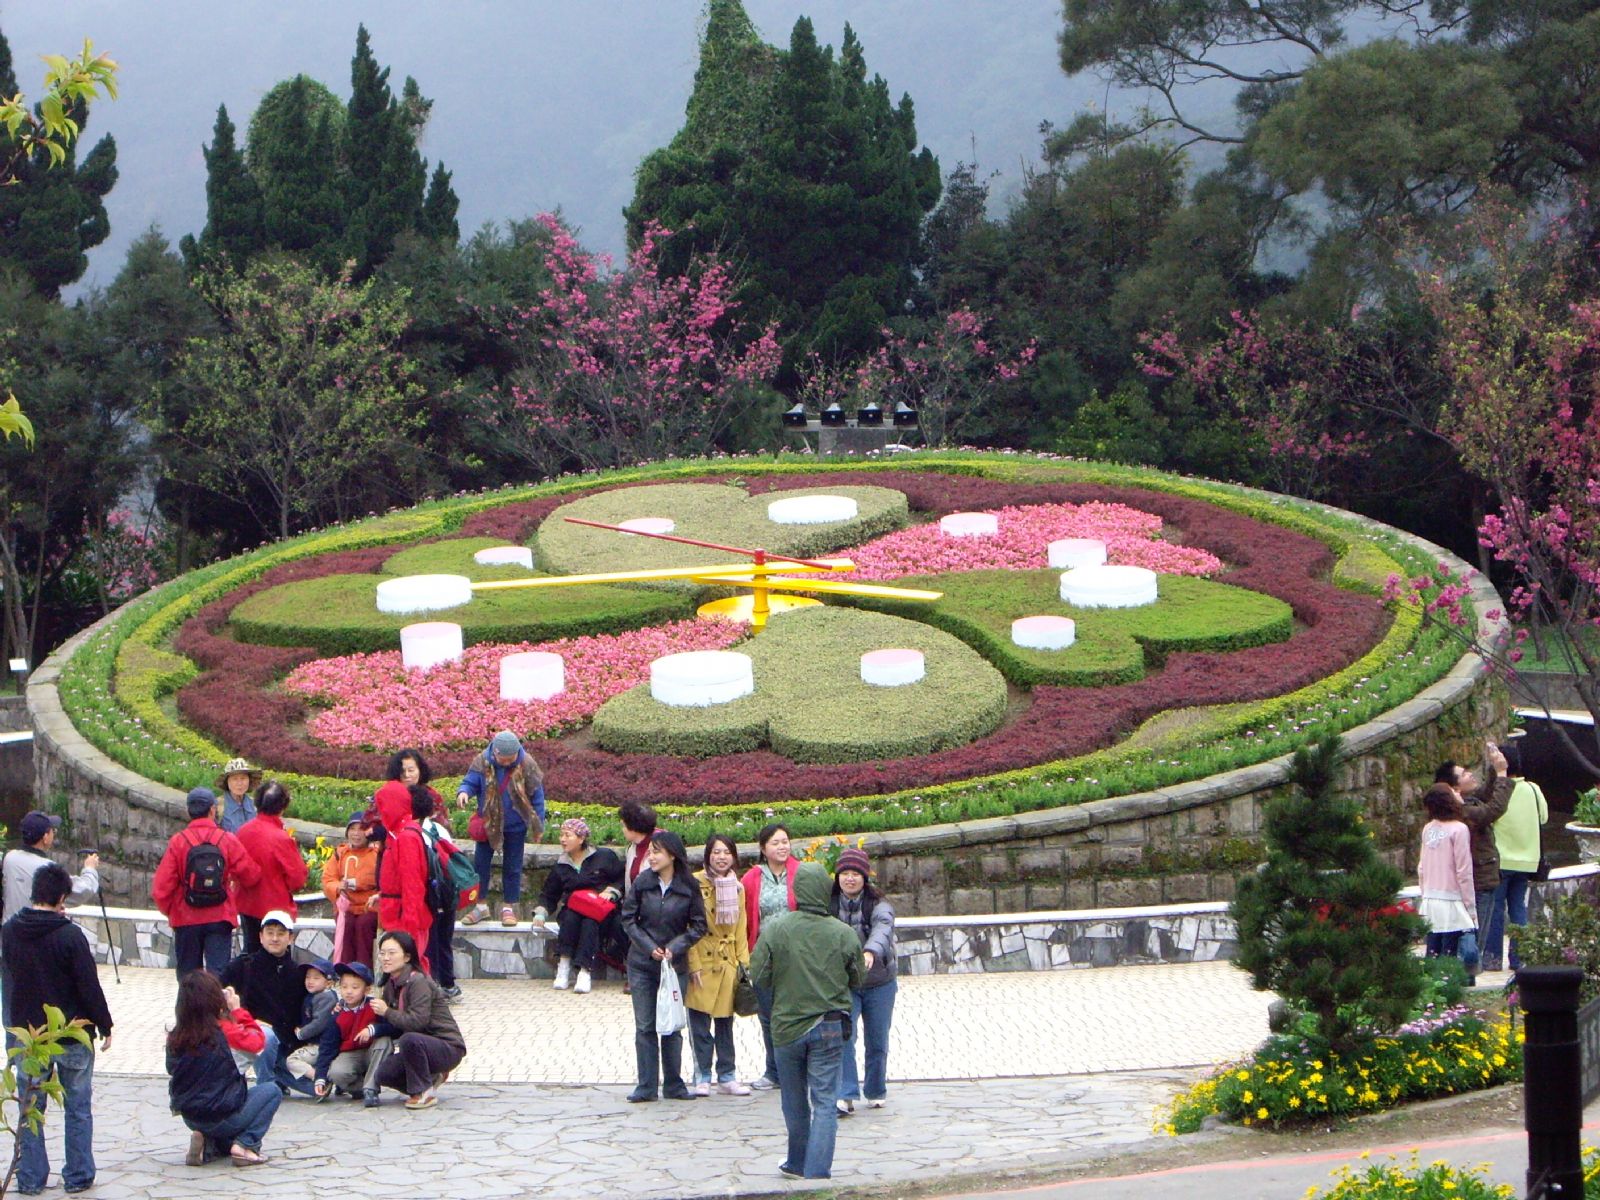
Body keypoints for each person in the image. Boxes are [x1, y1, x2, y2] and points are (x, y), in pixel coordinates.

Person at [1, 862, 114, 1195]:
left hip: (28, 1038)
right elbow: (88, 987)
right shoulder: (70, 936)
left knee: (29, 1108)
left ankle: (31, 1177)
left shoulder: (9, 931)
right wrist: (105, 1024)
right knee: (78, 1106)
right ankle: (78, 1175)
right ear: (62, 897)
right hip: (71, 1035)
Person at [750, 860, 865, 1181]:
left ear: (796, 892)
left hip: (787, 1027)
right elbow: (858, 978)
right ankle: (817, 1172)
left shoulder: (776, 928)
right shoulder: (843, 933)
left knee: (794, 1099)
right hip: (830, 1025)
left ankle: (796, 1163)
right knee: (826, 1101)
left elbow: (758, 974)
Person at [619, 831, 707, 1102]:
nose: (652, 857)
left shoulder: (688, 886)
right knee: (645, 1026)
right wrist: (648, 947)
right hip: (643, 964)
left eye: (657, 852)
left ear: (672, 854)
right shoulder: (643, 882)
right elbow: (628, 919)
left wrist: (675, 947)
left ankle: (674, 1084)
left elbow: (699, 926)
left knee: (672, 1025)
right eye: (650, 852)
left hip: (674, 965)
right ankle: (646, 1085)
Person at [167, 971, 280, 1168]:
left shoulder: (176, 1033)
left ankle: (207, 1146)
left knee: (224, 1139)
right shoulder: (226, 1032)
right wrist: (237, 1011)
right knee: (271, 1091)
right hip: (222, 1113)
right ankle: (247, 1145)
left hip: (190, 1115)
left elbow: (170, 1068)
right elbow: (259, 1041)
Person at [152, 787, 262, 977]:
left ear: (189, 811)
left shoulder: (178, 842)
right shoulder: (226, 839)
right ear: (213, 810)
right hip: (219, 917)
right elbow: (251, 874)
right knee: (219, 975)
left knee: (188, 976)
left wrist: (172, 911)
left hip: (185, 917)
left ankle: (190, 1007)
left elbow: (161, 888)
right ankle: (218, 1007)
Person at [363, 931, 467, 1110]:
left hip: (447, 1046)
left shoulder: (418, 981)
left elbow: (418, 1022)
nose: (386, 958)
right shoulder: (391, 984)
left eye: (392, 953)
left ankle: (423, 1092)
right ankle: (432, 1079)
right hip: (418, 1047)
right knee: (384, 1074)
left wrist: (387, 1011)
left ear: (407, 957)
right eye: (382, 953)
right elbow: (395, 1026)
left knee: (409, 1039)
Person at [828, 848, 897, 1114]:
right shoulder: (830, 904)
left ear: (864, 877)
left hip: (880, 982)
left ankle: (876, 1089)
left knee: (877, 1039)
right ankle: (845, 1093)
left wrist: (870, 951)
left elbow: (883, 929)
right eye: (845, 873)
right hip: (846, 983)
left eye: (855, 873)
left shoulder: (879, 905)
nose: (849, 878)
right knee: (845, 1036)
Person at [1433, 743, 1511, 976]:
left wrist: (1493, 768)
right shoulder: (1463, 811)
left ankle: (1461, 979)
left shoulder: (1464, 804)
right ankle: (1465, 982)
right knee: (1473, 941)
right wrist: (1502, 774)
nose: (1470, 775)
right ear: (1454, 787)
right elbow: (1492, 810)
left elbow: (1486, 795)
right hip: (1477, 882)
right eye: (1464, 774)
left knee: (1469, 939)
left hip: (1476, 881)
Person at [219, 910, 313, 1096]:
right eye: (270, 933)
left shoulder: (299, 973)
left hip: (288, 1046)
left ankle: (277, 1075)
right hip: (252, 1038)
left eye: (280, 933)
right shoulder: (242, 966)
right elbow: (214, 993)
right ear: (261, 936)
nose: (275, 938)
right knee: (266, 1036)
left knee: (316, 1089)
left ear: (290, 938)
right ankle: (267, 1087)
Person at [456, 730, 545, 926]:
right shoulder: (482, 761)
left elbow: (537, 795)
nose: (506, 763)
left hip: (515, 824)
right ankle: (480, 906)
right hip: (489, 822)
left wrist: (538, 824)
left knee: (513, 867)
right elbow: (470, 781)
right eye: (502, 759)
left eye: (510, 759)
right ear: (494, 753)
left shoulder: (526, 763)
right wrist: (464, 792)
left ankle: (509, 907)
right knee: (480, 865)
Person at [686, 833, 751, 1097]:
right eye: (716, 852)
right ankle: (702, 1074)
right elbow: (687, 925)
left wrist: (743, 965)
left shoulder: (738, 887)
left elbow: (742, 927)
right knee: (700, 1024)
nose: (721, 857)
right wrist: (693, 964)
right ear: (707, 856)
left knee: (725, 1024)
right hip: (702, 959)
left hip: (727, 962)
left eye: (726, 852)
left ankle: (727, 1075)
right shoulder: (694, 883)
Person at [534, 817, 624, 995]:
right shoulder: (561, 865)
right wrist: (541, 914)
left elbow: (620, 878)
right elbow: (549, 895)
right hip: (573, 910)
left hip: (600, 911)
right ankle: (564, 964)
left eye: (567, 835)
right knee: (571, 916)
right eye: (561, 835)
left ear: (581, 838)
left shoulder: (604, 856)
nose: (562, 839)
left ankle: (584, 971)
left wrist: (612, 891)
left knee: (590, 921)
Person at [740, 822, 799, 1090]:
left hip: (797, 957)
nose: (782, 847)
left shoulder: (801, 872)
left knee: (796, 1012)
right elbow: (744, 918)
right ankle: (773, 1071)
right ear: (763, 848)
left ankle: (796, 1070)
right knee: (768, 1015)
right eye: (775, 842)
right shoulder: (752, 878)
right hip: (763, 956)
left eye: (785, 841)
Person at [1483, 740, 1548, 972]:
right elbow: (1544, 819)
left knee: (1496, 909)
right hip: (1527, 860)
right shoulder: (1533, 789)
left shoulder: (1497, 792)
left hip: (1500, 861)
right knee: (1518, 907)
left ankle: (1491, 960)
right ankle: (1519, 959)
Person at [233, 781, 308, 955]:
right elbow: (298, 877)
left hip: (246, 902)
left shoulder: (243, 831)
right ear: (283, 807)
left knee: (250, 950)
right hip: (275, 906)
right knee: (275, 955)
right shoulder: (280, 838)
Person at [1417, 783, 1478, 978]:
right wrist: (1470, 907)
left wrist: (1424, 893)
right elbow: (1464, 871)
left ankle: (1430, 990)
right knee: (1450, 952)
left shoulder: (1428, 829)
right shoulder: (1459, 829)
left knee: (1432, 950)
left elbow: (1421, 867)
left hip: (1430, 898)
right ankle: (1450, 989)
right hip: (1452, 899)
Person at [372, 780, 433, 976]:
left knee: (410, 971)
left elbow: (413, 885)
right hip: (396, 912)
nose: (380, 812)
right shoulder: (399, 833)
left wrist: (410, 925)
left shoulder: (405, 837)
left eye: (383, 805)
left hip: (403, 917)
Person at [1, 810, 100, 923]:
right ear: (45, 837)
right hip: (37, 933)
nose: (54, 833)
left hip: (9, 933)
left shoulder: (9, 858)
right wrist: (90, 868)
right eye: (53, 830)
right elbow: (82, 891)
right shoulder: (48, 869)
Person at [412, 785, 462, 998]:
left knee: (430, 941)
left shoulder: (409, 833)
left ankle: (433, 988)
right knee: (443, 940)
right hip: (446, 893)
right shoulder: (439, 830)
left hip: (428, 894)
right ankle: (448, 984)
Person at [310, 962, 378, 1101]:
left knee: (384, 1043)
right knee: (336, 1073)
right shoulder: (337, 1013)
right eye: (344, 986)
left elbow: (391, 1027)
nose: (349, 991)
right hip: (351, 1053)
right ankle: (360, 1088)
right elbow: (327, 1046)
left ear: (367, 989)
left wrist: (372, 1029)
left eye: (355, 987)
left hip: (373, 1050)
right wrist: (320, 1078)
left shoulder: (375, 1006)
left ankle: (372, 1089)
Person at [321, 812, 379, 970]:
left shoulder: (376, 854)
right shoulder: (340, 854)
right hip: (347, 905)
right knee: (346, 924)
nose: (356, 833)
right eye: (352, 829)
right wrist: (338, 887)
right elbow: (328, 880)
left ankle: (363, 970)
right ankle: (344, 969)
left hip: (369, 905)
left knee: (363, 925)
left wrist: (360, 883)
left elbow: (382, 881)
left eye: (361, 829)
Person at [283, 960, 338, 1086]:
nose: (310, 981)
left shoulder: (326, 998)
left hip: (320, 1045)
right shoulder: (314, 995)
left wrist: (302, 1033)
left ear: (329, 983)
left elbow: (320, 1022)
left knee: (291, 1061)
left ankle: (318, 1077)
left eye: (316, 978)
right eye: (307, 977)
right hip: (315, 1044)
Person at [214, 757, 262, 834]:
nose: (239, 783)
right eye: (235, 779)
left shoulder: (255, 804)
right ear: (227, 782)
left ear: (249, 780)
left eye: (243, 778)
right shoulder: (217, 805)